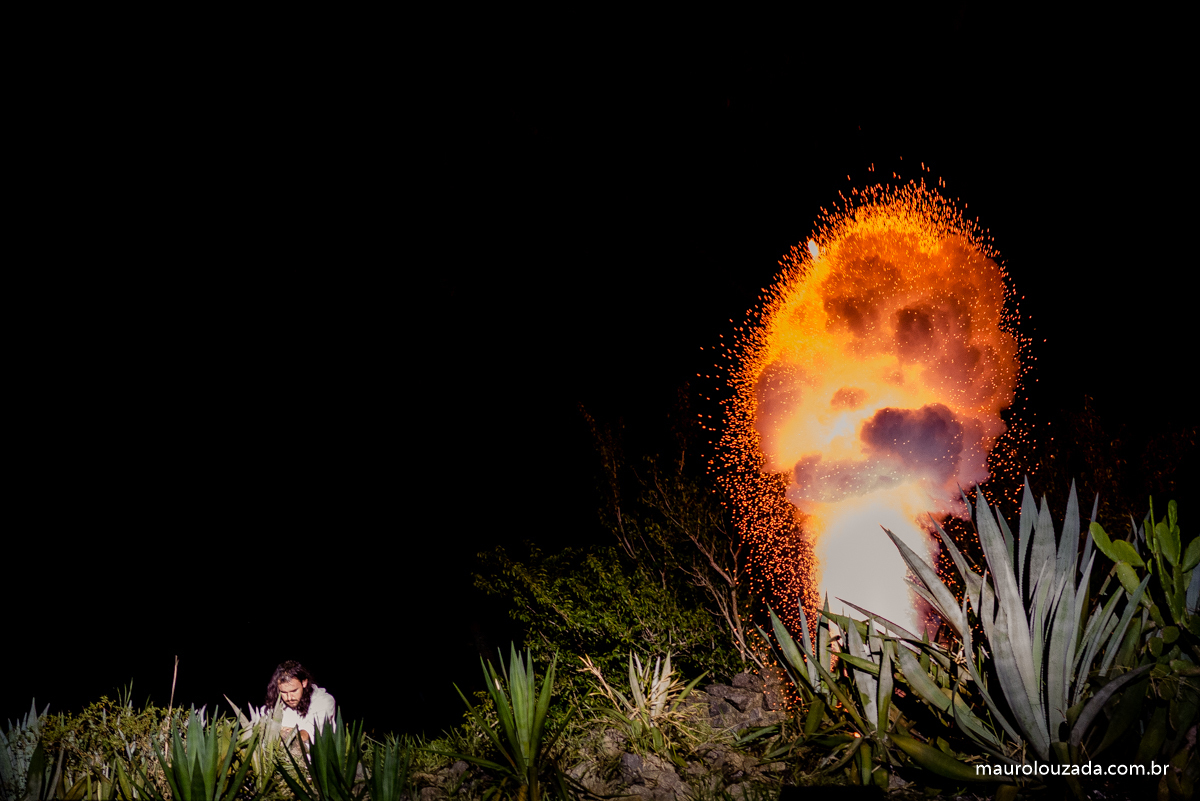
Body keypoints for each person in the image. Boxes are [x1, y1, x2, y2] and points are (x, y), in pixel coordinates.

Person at [265, 660, 336, 743]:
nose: (289, 697)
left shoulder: (323, 701)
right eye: (284, 692)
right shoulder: (272, 706)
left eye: (294, 691)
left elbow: (310, 733)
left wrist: (292, 734)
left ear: (304, 683)